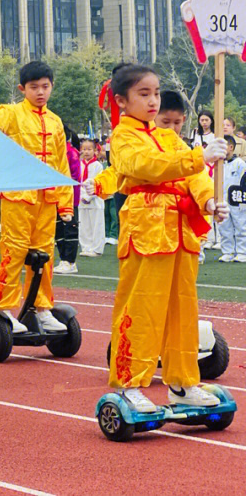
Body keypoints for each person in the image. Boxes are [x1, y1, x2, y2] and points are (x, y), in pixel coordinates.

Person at [98, 63, 229, 411]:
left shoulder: (168, 137)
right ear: (121, 101)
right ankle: (129, 384)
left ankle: (183, 383)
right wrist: (197, 159)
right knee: (142, 308)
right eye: (144, 94)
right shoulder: (123, 138)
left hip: (180, 230)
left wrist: (209, 199)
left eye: (155, 93)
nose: (153, 101)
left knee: (182, 311)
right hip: (147, 229)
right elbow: (147, 167)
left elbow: (194, 177)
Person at [0, 61, 74, 334]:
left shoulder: (56, 122)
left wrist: (65, 202)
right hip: (17, 197)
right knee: (14, 252)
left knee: (44, 255)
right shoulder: (10, 114)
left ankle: (42, 308)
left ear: (52, 87)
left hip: (45, 199)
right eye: (34, 87)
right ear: (22, 89)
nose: (40, 92)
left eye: (45, 87)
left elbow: (61, 165)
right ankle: (3, 307)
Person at [53, 128, 83, 274]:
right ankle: (63, 259)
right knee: (58, 230)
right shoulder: (56, 151)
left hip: (69, 198)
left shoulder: (70, 153)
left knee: (69, 229)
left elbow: (74, 178)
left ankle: (70, 261)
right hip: (55, 196)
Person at [218, 135, 246, 262]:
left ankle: (242, 252)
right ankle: (228, 251)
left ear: (230, 147)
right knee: (224, 226)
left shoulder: (240, 164)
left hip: (237, 200)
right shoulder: (219, 164)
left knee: (240, 225)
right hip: (222, 199)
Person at [77, 138, 105, 257]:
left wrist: (88, 196)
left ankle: (96, 248)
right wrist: (81, 196)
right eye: (84, 149)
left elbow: (96, 182)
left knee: (96, 224)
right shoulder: (79, 165)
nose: (87, 152)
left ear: (95, 151)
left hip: (95, 199)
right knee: (84, 224)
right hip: (81, 199)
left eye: (89, 149)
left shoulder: (98, 166)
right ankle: (86, 246)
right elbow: (78, 181)